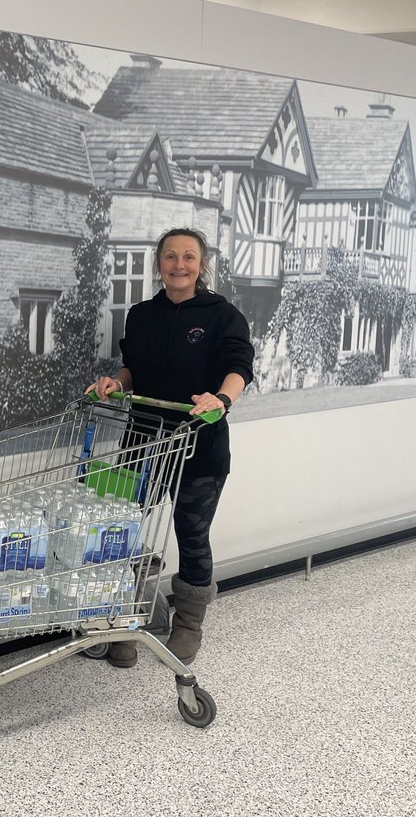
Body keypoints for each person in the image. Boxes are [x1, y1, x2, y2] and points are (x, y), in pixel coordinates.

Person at [86, 227, 254, 668]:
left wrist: (221, 399)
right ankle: (124, 617)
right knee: (125, 531)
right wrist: (114, 383)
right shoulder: (141, 315)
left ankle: (188, 623)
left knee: (191, 534)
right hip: (142, 443)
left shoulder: (222, 315)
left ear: (202, 265)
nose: (179, 265)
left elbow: (239, 368)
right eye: (170, 257)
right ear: (159, 264)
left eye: (189, 257)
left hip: (200, 447)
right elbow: (131, 370)